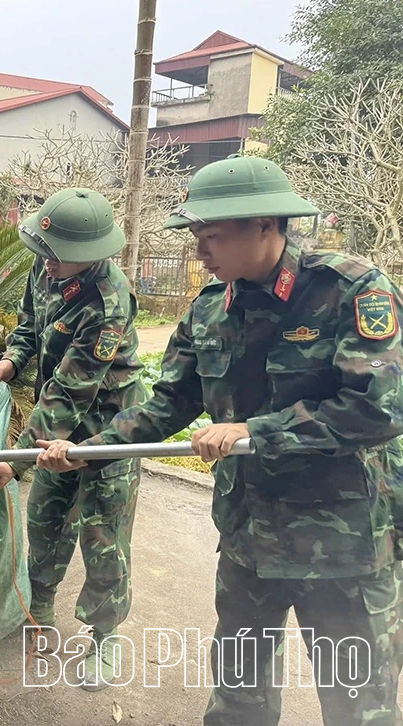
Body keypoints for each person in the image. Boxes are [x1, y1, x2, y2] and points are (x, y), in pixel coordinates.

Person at [34, 155, 403, 725]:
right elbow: (167, 405)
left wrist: (256, 431)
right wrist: (87, 451)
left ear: (266, 225)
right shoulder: (210, 309)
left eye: (212, 236)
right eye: (196, 236)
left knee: (356, 701)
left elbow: (380, 406)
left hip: (342, 543)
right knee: (239, 694)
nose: (199, 252)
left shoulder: (348, 290)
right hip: (248, 535)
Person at [0, 188, 148, 689]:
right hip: (56, 423)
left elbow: (71, 393)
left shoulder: (109, 302)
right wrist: (11, 360)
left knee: (103, 534)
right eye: (43, 254)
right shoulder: (48, 267)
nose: (46, 264)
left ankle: (104, 635)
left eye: (57, 257)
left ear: (90, 255)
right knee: (46, 517)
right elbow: (29, 324)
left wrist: (17, 462)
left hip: (107, 434)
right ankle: (39, 611)